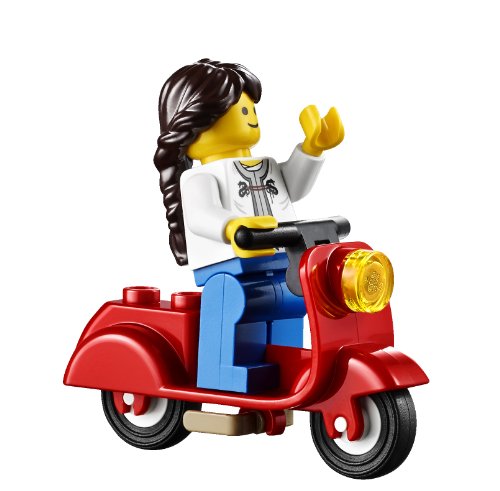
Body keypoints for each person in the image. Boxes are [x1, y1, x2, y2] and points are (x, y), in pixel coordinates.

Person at [154, 59, 344, 393]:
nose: (250, 115)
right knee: (234, 305)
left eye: (251, 109)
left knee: (292, 303)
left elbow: (293, 187)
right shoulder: (199, 176)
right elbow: (200, 216)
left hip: (283, 259)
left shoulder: (264, 165)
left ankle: (286, 361)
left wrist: (312, 149)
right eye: (241, 110)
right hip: (228, 267)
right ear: (198, 121)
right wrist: (233, 228)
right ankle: (222, 373)